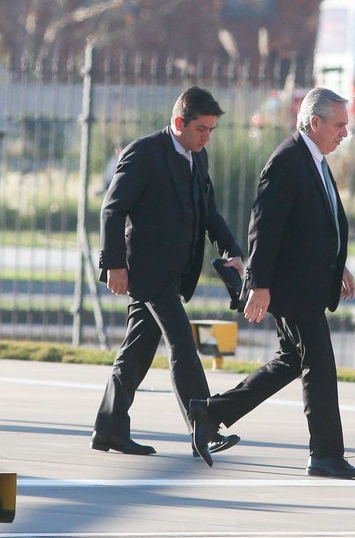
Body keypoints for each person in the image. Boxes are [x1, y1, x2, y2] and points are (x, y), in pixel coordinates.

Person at [187, 87, 355, 479]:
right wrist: (259, 284)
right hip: (292, 289)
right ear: (314, 121)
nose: (344, 133)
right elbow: (264, 228)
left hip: (305, 284)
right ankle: (325, 454)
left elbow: (315, 228)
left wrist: (337, 268)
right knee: (319, 365)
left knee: (293, 360)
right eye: (339, 125)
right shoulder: (288, 161)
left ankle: (211, 413)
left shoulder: (313, 159)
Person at [92, 86, 245, 459]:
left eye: (211, 130)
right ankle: (204, 428)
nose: (207, 137)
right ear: (179, 122)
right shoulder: (144, 153)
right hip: (146, 270)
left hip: (176, 272)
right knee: (181, 342)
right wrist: (114, 264)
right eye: (201, 129)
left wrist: (232, 252)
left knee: (138, 351)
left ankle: (109, 429)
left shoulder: (197, 157)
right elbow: (112, 210)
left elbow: (208, 212)